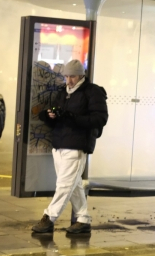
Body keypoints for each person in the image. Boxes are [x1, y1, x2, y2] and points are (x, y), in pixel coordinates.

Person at [31, 59, 108, 234]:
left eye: (72, 76)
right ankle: (83, 219)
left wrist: (71, 116)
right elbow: (60, 116)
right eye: (66, 76)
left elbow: (100, 119)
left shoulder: (92, 92)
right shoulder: (63, 92)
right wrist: (49, 115)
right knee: (74, 184)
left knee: (65, 185)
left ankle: (49, 218)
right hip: (59, 144)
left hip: (77, 145)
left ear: (81, 75)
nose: (69, 80)